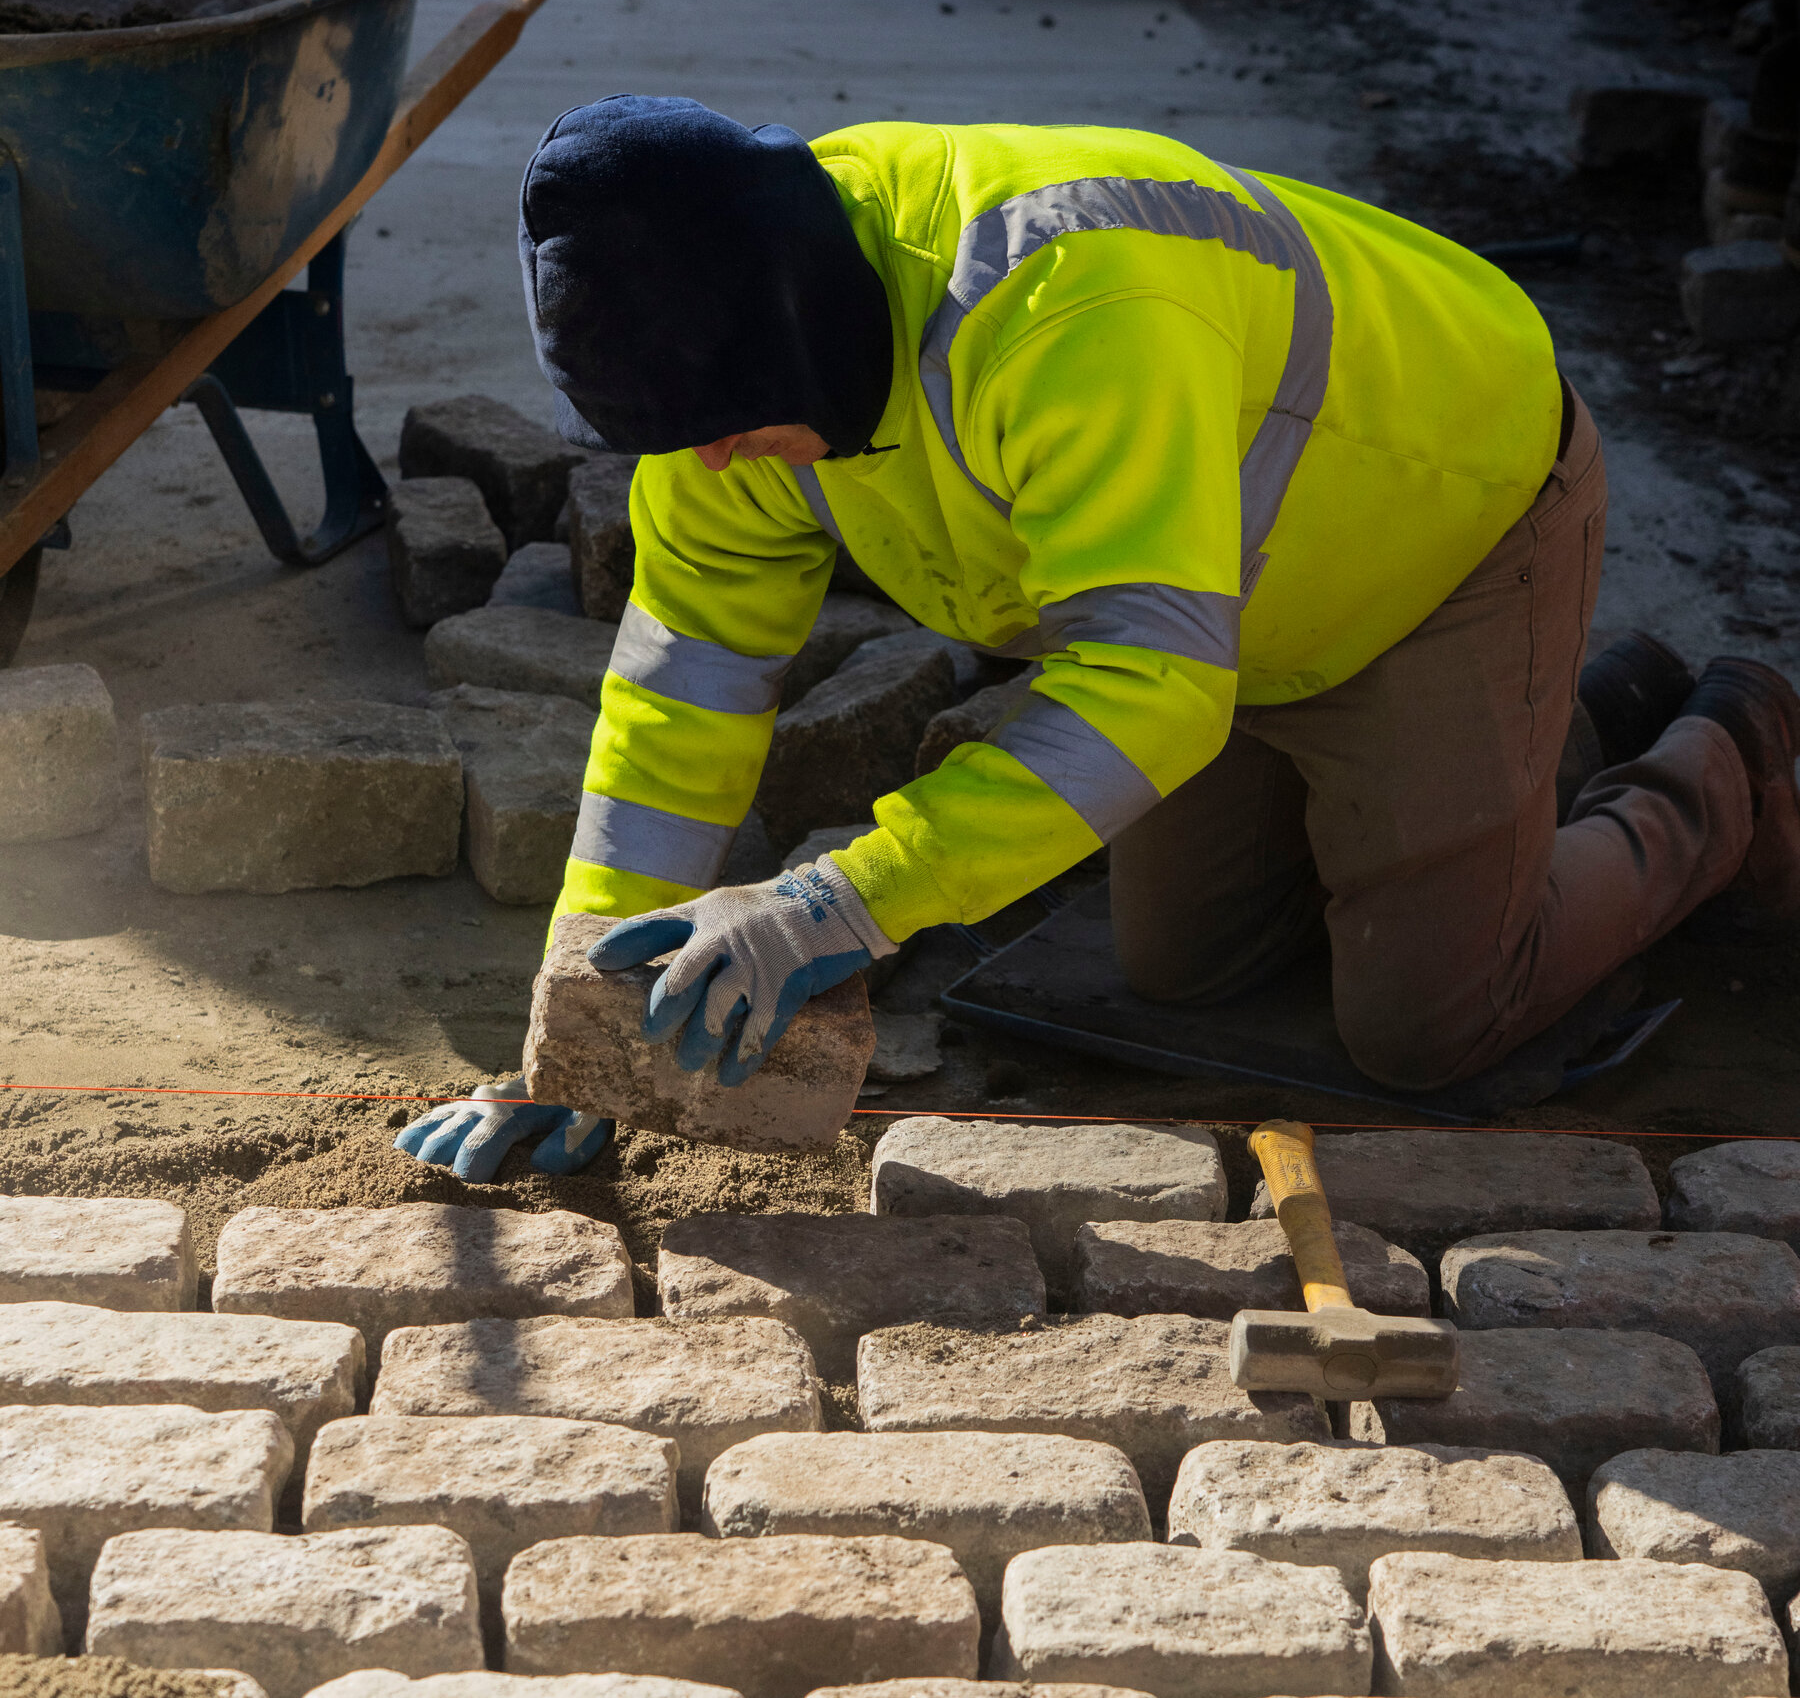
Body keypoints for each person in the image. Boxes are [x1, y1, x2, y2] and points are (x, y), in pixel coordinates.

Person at [397, 95, 1800, 1182]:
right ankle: (1575, 710)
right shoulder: (733, 358)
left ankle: (1722, 753)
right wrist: (574, 1034)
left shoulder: (1072, 308)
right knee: (1185, 969)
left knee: (1430, 1022)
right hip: (1223, 608)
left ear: (806, 332)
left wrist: (841, 901)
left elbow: (1149, 695)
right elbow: (683, 692)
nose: (713, 472)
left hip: (1441, 530)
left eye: (730, 436)